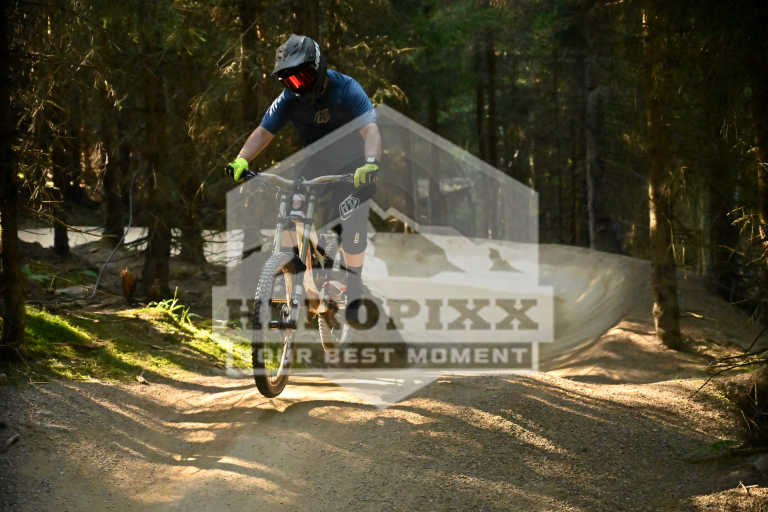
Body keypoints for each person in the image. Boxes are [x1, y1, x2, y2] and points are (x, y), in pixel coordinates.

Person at [226, 34, 381, 340]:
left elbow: (371, 129)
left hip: (354, 167)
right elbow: (263, 132)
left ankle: (353, 285)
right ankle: (297, 281)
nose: (297, 85)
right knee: (290, 215)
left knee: (352, 222)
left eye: (302, 78)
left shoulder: (347, 89)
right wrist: (242, 159)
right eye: (289, 80)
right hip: (315, 163)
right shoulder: (288, 98)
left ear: (318, 68)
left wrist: (371, 162)